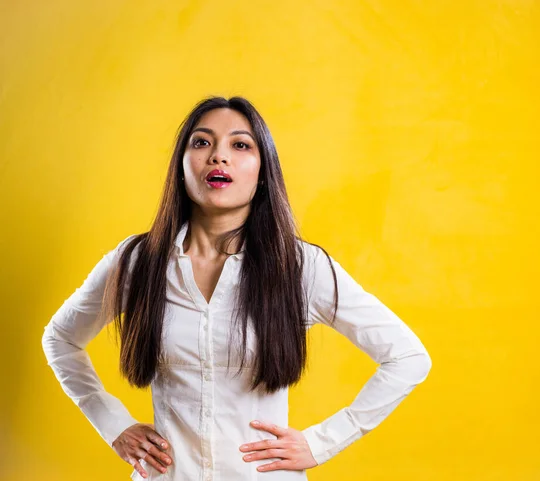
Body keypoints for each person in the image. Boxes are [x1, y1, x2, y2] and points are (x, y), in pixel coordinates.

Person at [41, 95, 432, 480]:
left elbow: (408, 356)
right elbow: (59, 338)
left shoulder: (299, 267)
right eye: (202, 142)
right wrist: (113, 425)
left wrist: (321, 443)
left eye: (240, 145)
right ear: (180, 166)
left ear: (263, 172)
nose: (218, 156)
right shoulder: (138, 261)